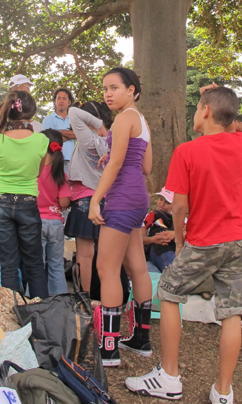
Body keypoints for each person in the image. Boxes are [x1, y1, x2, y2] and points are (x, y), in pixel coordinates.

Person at [126, 85, 242, 403]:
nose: (195, 112)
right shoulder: (241, 143)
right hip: (240, 240)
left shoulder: (187, 151)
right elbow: (234, 121)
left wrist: (180, 243)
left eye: (197, 107)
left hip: (205, 241)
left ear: (206, 112)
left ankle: (169, 376)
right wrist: (216, 94)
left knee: (168, 293)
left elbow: (179, 207)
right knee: (232, 313)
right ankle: (223, 391)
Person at [88, 68, 153, 367]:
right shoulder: (141, 120)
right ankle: (141, 339)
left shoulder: (124, 118)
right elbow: (146, 166)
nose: (108, 93)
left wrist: (95, 199)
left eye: (114, 87)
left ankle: (109, 348)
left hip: (122, 200)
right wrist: (114, 155)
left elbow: (116, 165)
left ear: (132, 91)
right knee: (137, 267)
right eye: (105, 89)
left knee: (107, 268)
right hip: (139, 199)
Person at [0, 91, 49, 298]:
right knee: (35, 263)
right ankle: (41, 312)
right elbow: (37, 172)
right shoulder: (41, 140)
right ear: (32, 113)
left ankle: (12, 313)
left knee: (8, 264)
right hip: (28, 202)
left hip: (0, 203)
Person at [65, 101, 112, 293]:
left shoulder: (88, 138)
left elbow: (73, 111)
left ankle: (84, 297)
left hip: (85, 199)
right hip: (107, 199)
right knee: (106, 253)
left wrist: (97, 124)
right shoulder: (112, 138)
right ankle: (107, 296)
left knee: (85, 255)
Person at [37, 128, 71, 295]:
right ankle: (60, 300)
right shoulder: (60, 173)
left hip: (36, 222)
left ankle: (34, 299)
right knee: (56, 264)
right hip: (56, 223)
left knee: (37, 265)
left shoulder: (34, 172)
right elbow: (64, 202)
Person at [42, 88, 77, 175]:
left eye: (64, 98)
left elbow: (79, 134)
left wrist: (58, 132)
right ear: (55, 101)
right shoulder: (48, 120)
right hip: (54, 161)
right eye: (58, 98)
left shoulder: (75, 119)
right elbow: (48, 140)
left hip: (73, 161)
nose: (61, 101)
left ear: (69, 102)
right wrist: (70, 134)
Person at [143, 188, 176, 274]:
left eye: (167, 202)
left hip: (175, 248)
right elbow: (139, 238)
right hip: (156, 249)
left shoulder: (182, 220)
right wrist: (153, 239)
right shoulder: (150, 216)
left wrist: (175, 234)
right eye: (161, 199)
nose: (162, 204)